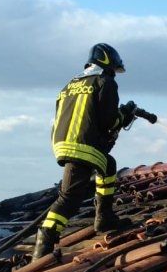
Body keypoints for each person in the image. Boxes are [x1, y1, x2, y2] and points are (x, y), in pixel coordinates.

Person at [33, 43, 151, 259]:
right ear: (107, 65)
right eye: (114, 70)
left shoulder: (70, 85)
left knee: (108, 165)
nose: (114, 74)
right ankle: (44, 246)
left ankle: (103, 218)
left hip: (62, 144)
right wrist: (124, 113)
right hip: (83, 146)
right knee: (69, 198)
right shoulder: (105, 82)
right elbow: (110, 121)